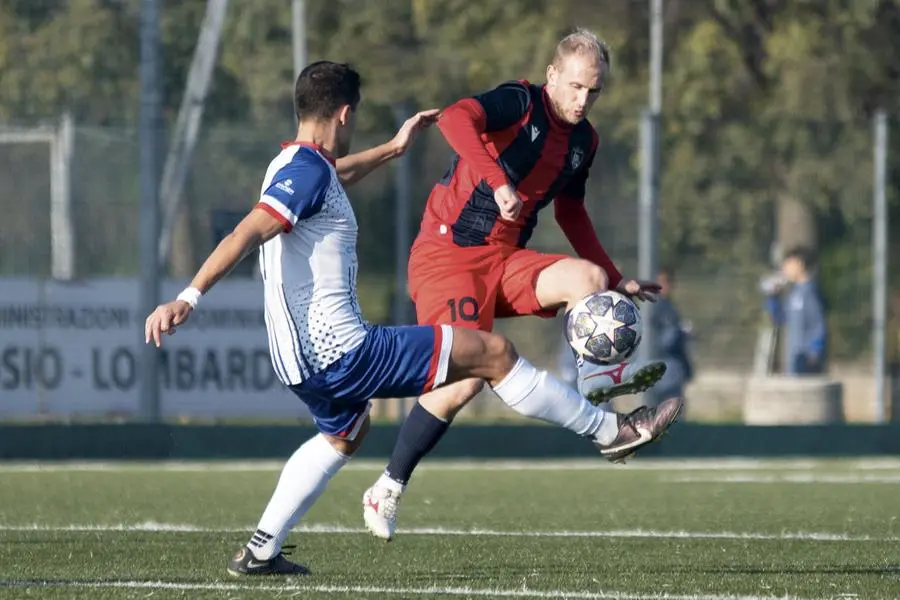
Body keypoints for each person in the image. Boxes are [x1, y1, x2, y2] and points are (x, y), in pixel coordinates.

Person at [143, 61, 683, 576]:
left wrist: (393, 149)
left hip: (297, 362)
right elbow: (246, 232)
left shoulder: (293, 166)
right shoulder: (307, 173)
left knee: (345, 435)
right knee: (492, 355)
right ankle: (609, 429)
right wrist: (188, 297)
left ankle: (262, 549)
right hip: (344, 351)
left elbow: (332, 176)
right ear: (346, 114)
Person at [362, 28, 678, 541]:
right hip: (447, 255)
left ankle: (600, 395)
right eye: (575, 87)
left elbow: (572, 211)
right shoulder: (521, 101)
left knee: (591, 280)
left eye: (593, 91)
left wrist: (618, 278)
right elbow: (456, 117)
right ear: (553, 75)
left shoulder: (584, 141)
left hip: (504, 260)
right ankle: (387, 486)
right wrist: (499, 181)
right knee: (464, 380)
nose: (583, 100)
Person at [763, 246, 828, 375]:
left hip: (807, 360)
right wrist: (773, 297)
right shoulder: (794, 293)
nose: (785, 268)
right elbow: (781, 318)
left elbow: (819, 325)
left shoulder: (810, 293)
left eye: (788, 263)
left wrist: (815, 352)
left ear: (800, 264)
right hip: (794, 359)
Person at [644, 267, 694, 407]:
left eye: (666, 282)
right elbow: (666, 341)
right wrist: (680, 332)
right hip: (666, 372)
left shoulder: (665, 307)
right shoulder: (661, 308)